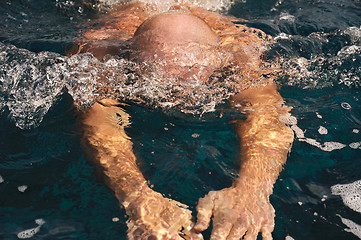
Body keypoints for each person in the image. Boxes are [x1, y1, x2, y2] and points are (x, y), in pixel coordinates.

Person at [71, 1, 294, 239]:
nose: (180, 98)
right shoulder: (99, 51)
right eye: (165, 84)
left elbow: (268, 118)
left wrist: (253, 190)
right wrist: (138, 199)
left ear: (218, 60)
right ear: (130, 61)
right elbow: (99, 124)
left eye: (192, 76)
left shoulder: (240, 52)